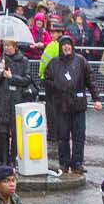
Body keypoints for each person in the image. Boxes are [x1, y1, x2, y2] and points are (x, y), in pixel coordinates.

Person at [40, 31, 100, 177]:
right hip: (61, 106)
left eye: (69, 45)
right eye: (64, 45)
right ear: (60, 47)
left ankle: (77, 163)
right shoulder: (54, 63)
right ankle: (64, 162)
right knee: (63, 136)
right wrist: (56, 86)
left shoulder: (81, 61)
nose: (66, 47)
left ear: (72, 46)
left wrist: (96, 98)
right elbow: (45, 81)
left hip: (78, 105)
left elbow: (90, 81)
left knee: (79, 136)